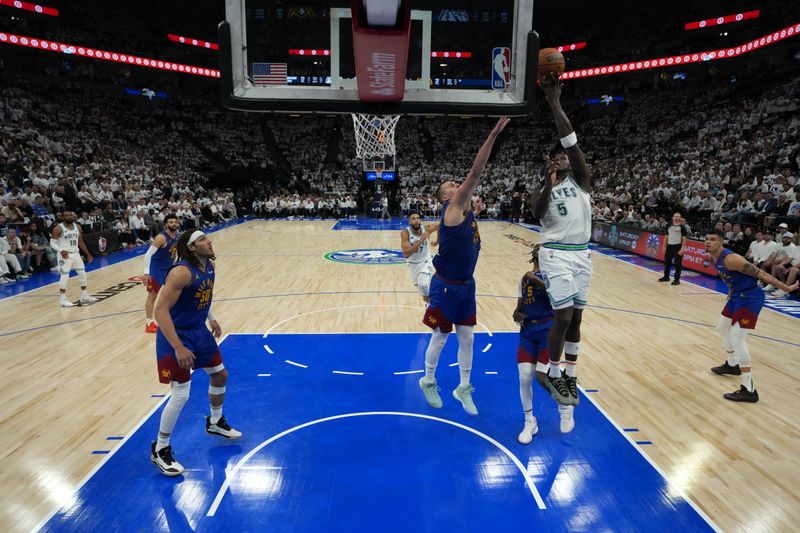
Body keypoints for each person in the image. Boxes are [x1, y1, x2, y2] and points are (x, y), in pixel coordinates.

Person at [418, 117, 510, 416]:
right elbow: (476, 171)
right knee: (441, 336)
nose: (457, 185)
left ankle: (464, 387)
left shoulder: (466, 212)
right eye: (451, 186)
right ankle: (428, 380)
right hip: (445, 286)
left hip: (466, 285)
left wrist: (477, 213)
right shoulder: (453, 209)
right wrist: (494, 134)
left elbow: (468, 240)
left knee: (468, 336)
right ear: (446, 197)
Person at [150, 229, 241, 477]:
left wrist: (211, 318)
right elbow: (160, 310)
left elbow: (204, 295)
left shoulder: (210, 265)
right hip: (175, 336)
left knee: (220, 375)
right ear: (191, 247)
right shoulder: (181, 272)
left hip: (199, 332)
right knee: (180, 394)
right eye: (202, 239)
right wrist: (178, 346)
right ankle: (161, 448)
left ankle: (214, 421)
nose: (209, 241)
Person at [531, 74, 592, 408]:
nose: (561, 157)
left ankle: (569, 372)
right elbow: (538, 212)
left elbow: (570, 142)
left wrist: (555, 103)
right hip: (555, 254)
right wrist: (547, 182)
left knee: (577, 319)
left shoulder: (582, 180)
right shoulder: (545, 189)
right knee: (564, 317)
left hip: (582, 255)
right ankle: (554, 372)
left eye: (563, 156)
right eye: (555, 158)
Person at [705, 229, 798, 402]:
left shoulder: (731, 259)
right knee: (722, 327)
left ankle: (749, 389)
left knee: (738, 338)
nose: (707, 242)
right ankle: (733, 365)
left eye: (712, 239)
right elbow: (731, 278)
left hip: (750, 297)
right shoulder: (712, 257)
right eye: (706, 239)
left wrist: (786, 288)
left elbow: (761, 274)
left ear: (721, 242)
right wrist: (732, 290)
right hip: (737, 295)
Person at [513, 243, 574, 445]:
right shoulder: (524, 278)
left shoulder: (555, 277)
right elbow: (519, 306)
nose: (540, 250)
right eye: (537, 249)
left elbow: (556, 296)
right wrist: (517, 313)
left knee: (542, 377)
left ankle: (565, 405)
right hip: (527, 331)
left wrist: (536, 280)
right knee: (524, 377)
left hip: (549, 331)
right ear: (534, 255)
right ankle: (530, 420)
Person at [142, 215, 181, 333]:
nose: (174, 224)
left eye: (175, 222)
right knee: (152, 296)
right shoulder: (161, 238)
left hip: (168, 269)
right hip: (156, 270)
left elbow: (173, 253)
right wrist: (146, 273)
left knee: (172, 294)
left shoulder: (176, 236)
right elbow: (148, 255)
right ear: (166, 225)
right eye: (171, 222)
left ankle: (172, 317)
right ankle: (149, 323)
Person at [50, 211, 96, 307]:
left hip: (76, 253)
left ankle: (84, 295)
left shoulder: (78, 227)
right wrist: (61, 250)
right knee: (64, 276)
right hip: (64, 255)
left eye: (70, 215)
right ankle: (63, 299)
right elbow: (52, 243)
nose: (69, 217)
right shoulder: (58, 228)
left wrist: (88, 254)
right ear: (63, 217)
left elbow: (81, 242)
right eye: (66, 215)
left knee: (82, 274)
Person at [400, 212, 438, 303]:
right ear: (410, 222)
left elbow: (441, 225)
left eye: (418, 218)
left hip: (426, 261)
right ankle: (428, 301)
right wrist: (421, 240)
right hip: (412, 264)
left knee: (423, 284)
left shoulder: (426, 229)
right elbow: (406, 254)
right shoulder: (405, 233)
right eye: (413, 219)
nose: (416, 220)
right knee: (421, 289)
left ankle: (431, 304)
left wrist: (437, 241)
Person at [658, 212, 688, 285]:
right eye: (675, 216)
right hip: (669, 246)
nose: (677, 218)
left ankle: (677, 280)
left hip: (677, 247)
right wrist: (663, 246)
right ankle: (666, 277)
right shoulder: (668, 225)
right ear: (673, 217)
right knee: (667, 262)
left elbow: (684, 239)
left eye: (678, 217)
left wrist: (682, 248)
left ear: (680, 218)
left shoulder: (682, 227)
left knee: (678, 264)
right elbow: (666, 237)